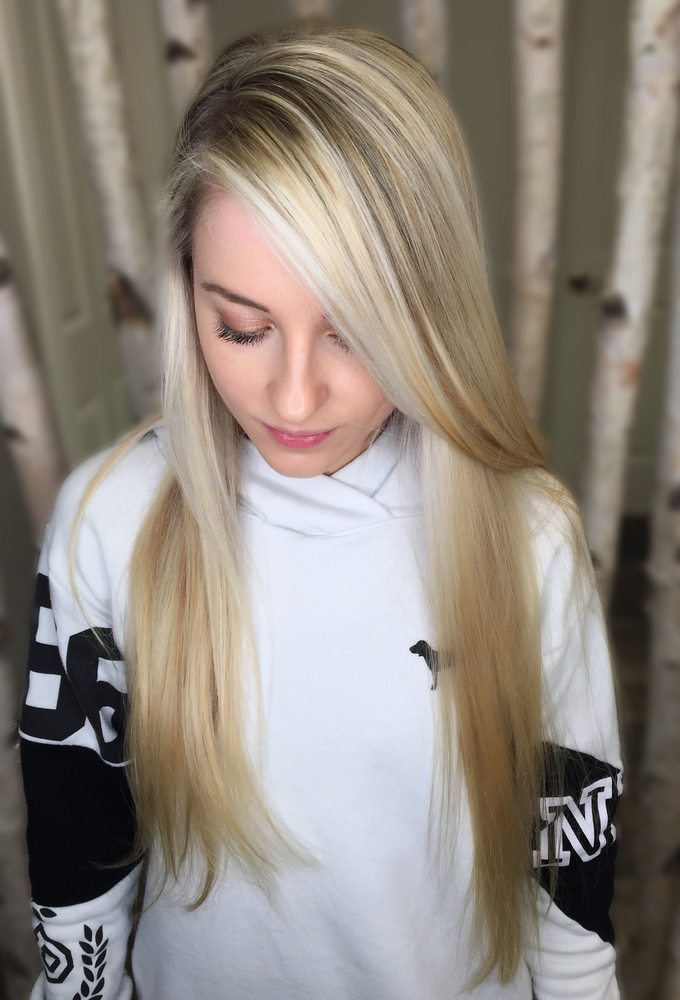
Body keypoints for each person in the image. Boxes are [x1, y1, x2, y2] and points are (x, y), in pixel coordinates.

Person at [19, 20, 623, 1000]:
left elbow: (570, 895)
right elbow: (77, 872)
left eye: (353, 331)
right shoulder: (110, 520)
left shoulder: (527, 541)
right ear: (187, 293)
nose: (294, 399)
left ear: (428, 314)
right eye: (241, 327)